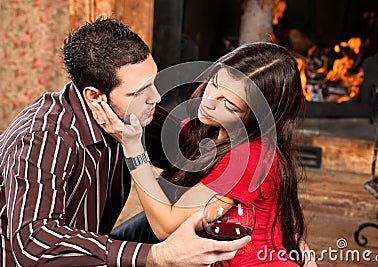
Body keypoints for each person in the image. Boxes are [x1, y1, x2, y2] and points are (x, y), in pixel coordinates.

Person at [0, 17, 251, 266]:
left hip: (93, 244)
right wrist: (157, 257)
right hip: (38, 261)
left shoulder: (130, 111)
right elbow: (33, 244)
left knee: (188, 217)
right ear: (95, 96)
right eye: (139, 91)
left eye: (153, 82)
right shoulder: (44, 139)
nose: (155, 97)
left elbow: (190, 150)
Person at [92, 42, 311, 266]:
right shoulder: (211, 128)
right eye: (214, 84)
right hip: (204, 253)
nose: (208, 101)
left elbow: (167, 228)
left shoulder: (251, 156)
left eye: (228, 104)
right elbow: (166, 129)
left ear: (255, 118)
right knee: (99, 252)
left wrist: (133, 148)